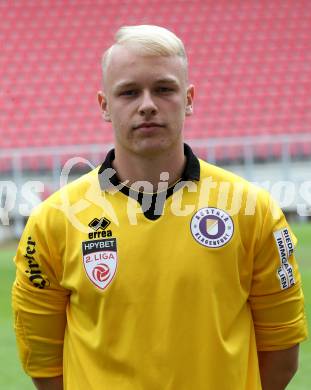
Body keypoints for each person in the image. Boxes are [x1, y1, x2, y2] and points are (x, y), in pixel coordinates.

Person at [12, 25, 307, 390]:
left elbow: (281, 350)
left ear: (189, 98)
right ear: (105, 106)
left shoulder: (253, 210)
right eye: (129, 92)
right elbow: (43, 361)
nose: (147, 104)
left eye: (164, 89)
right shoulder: (53, 222)